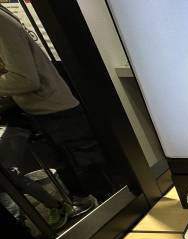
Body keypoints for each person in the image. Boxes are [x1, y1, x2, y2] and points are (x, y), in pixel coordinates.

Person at [0, 4, 114, 215]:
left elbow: (25, 79)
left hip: (55, 109)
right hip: (45, 109)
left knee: (89, 172)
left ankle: (112, 216)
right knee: (71, 171)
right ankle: (94, 211)